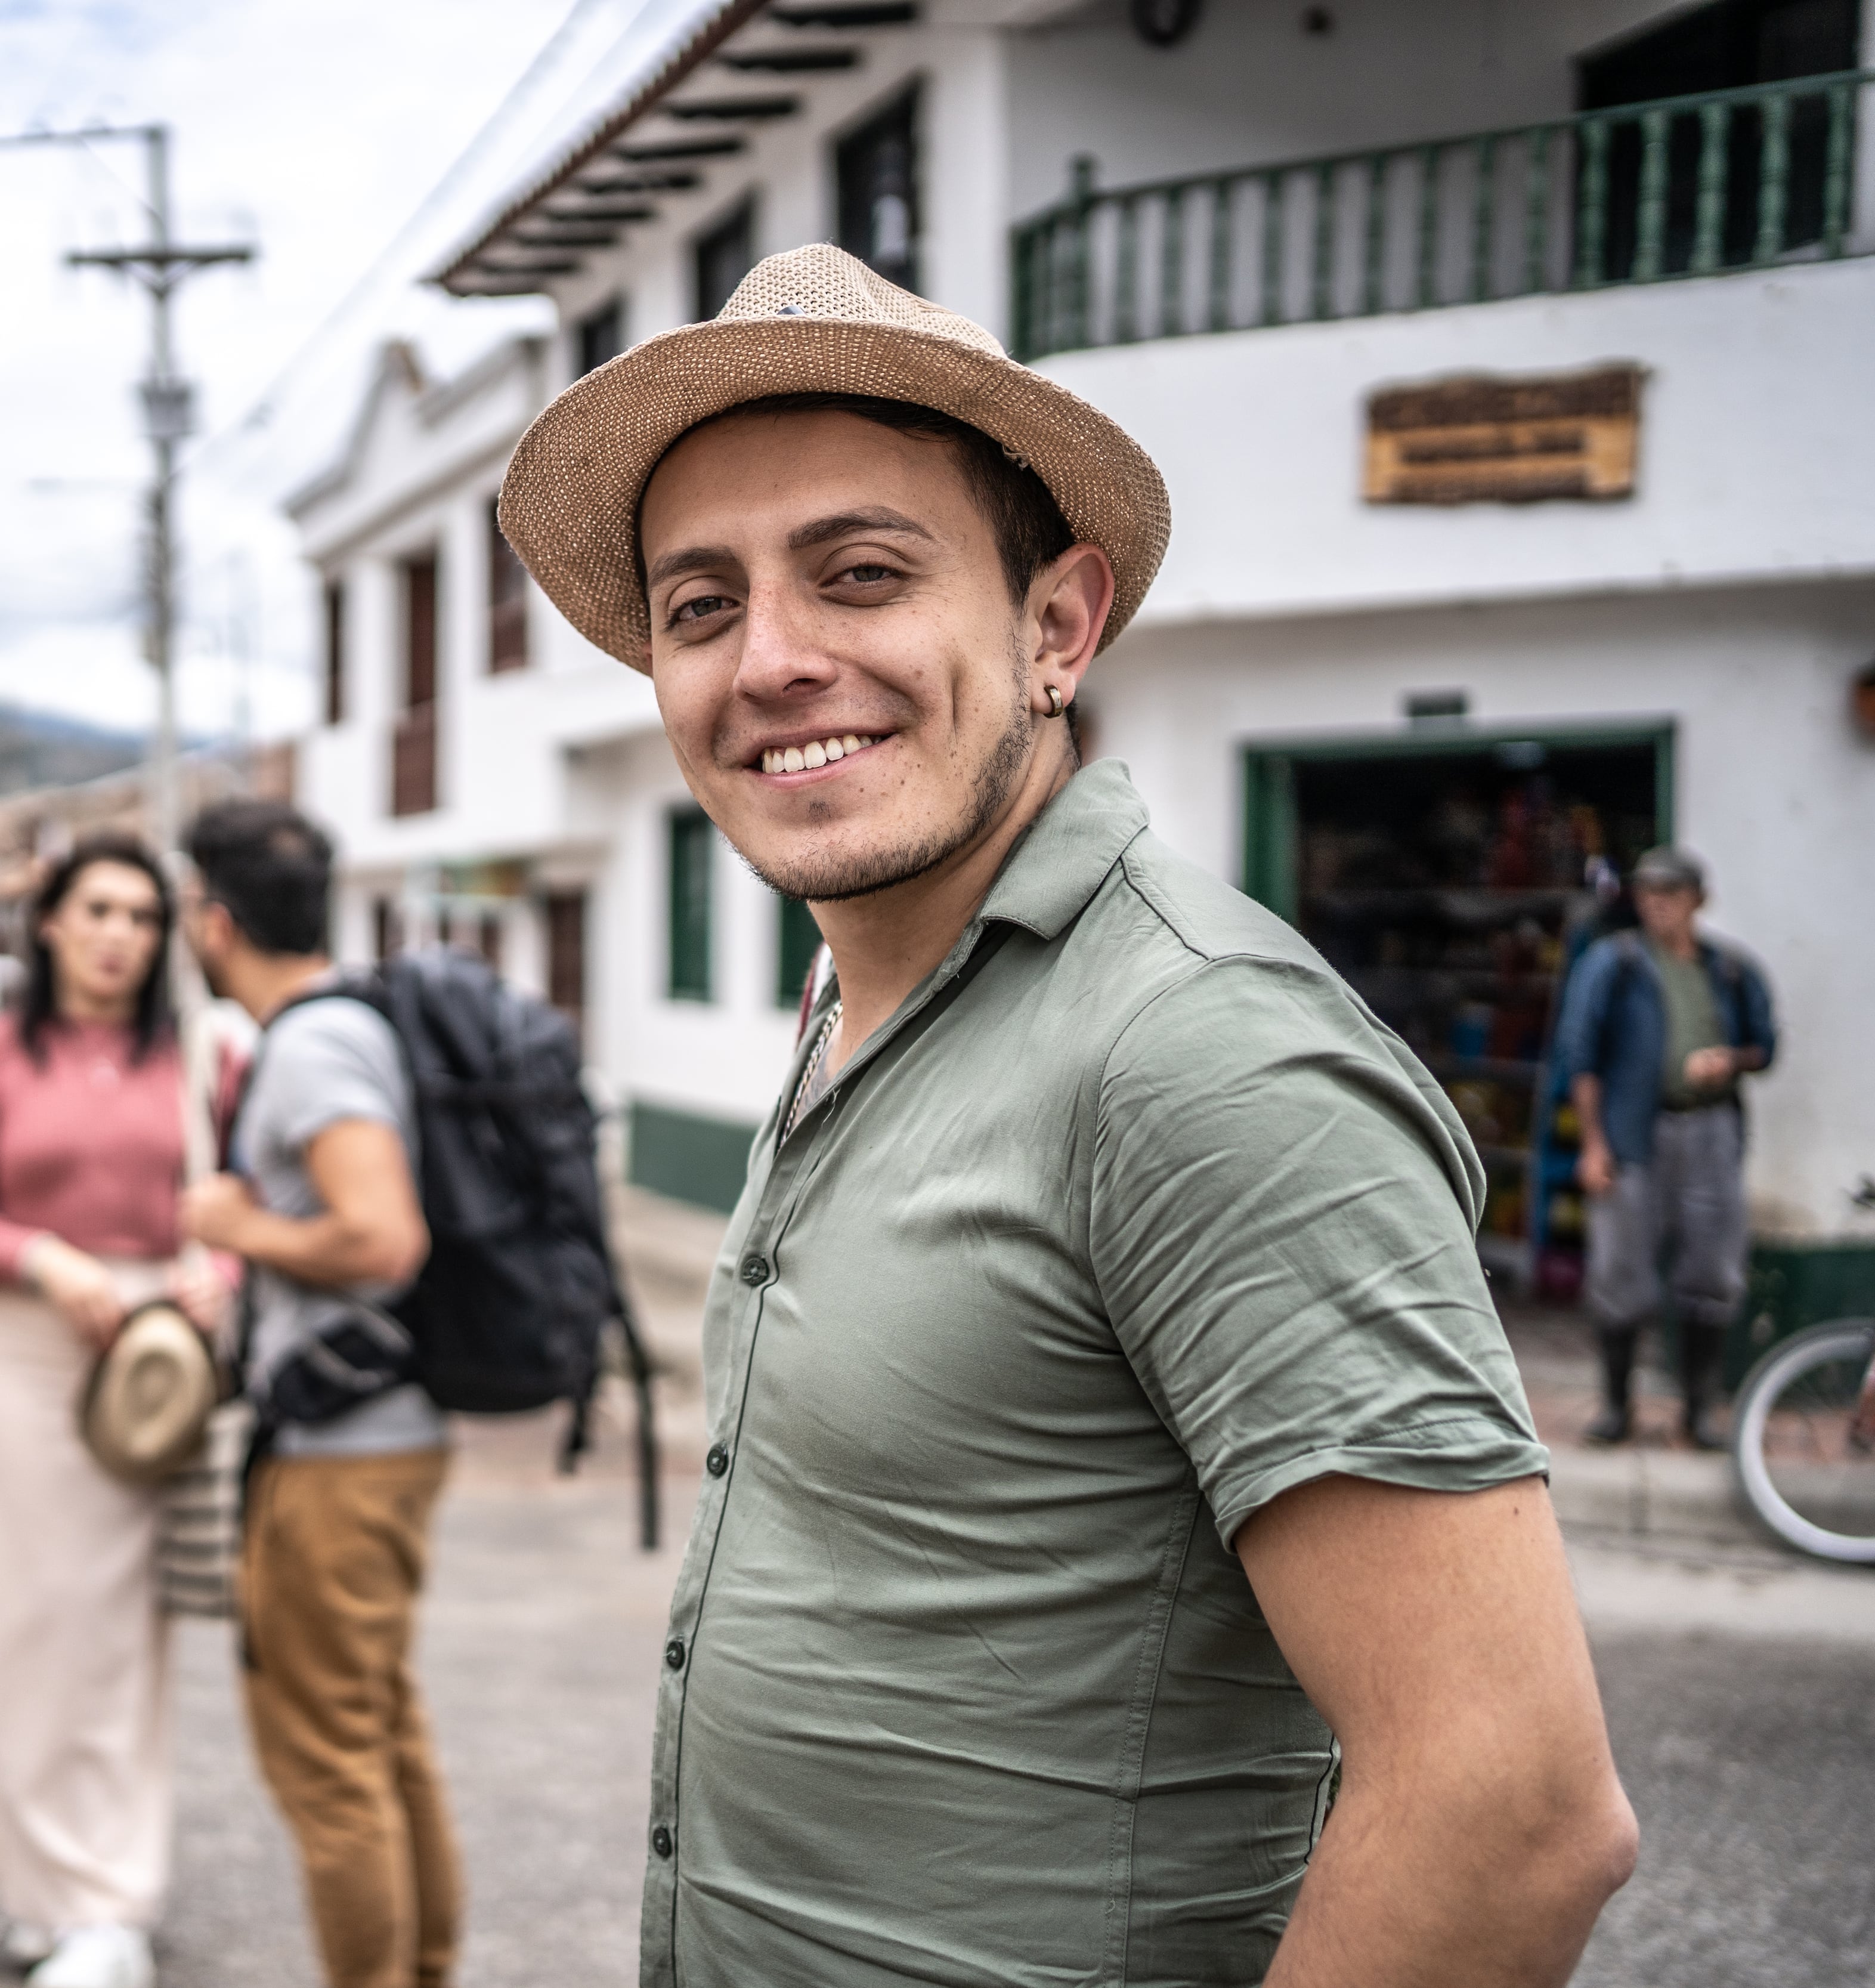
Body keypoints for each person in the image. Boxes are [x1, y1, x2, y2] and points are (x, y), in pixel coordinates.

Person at [494, 243, 1637, 1986]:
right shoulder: (858, 1004)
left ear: (1053, 625)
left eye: (859, 574)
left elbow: (1511, 1810)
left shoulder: (1198, 1056)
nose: (772, 660)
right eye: (699, 604)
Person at [0, 833, 226, 1988]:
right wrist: (43, 1258)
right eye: (96, 909)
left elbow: (246, 1198)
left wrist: (218, 1273)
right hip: (32, 1350)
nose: (118, 934)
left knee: (125, 1628)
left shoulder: (195, 1055)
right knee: (32, 1620)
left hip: (154, 1361)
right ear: (47, 922)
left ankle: (109, 1900)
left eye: (141, 916)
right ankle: (42, 1888)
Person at [175, 800, 457, 1988]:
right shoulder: (340, 1027)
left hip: (343, 1450)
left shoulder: (309, 1046)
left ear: (215, 920)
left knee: (329, 1760)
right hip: (378, 1433)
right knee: (379, 1736)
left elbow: (382, 1235)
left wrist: (239, 1223)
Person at [1559, 845, 1777, 1448]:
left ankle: (1696, 1411)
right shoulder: (1614, 963)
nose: (1656, 905)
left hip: (1709, 1130)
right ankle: (1615, 1407)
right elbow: (1579, 1058)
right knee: (1620, 1270)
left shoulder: (1729, 969)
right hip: (1633, 1133)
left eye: (1670, 894)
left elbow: (1765, 1046)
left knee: (1710, 1270)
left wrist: (1730, 1059)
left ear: (1697, 901)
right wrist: (1593, 1146)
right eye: (1647, 893)